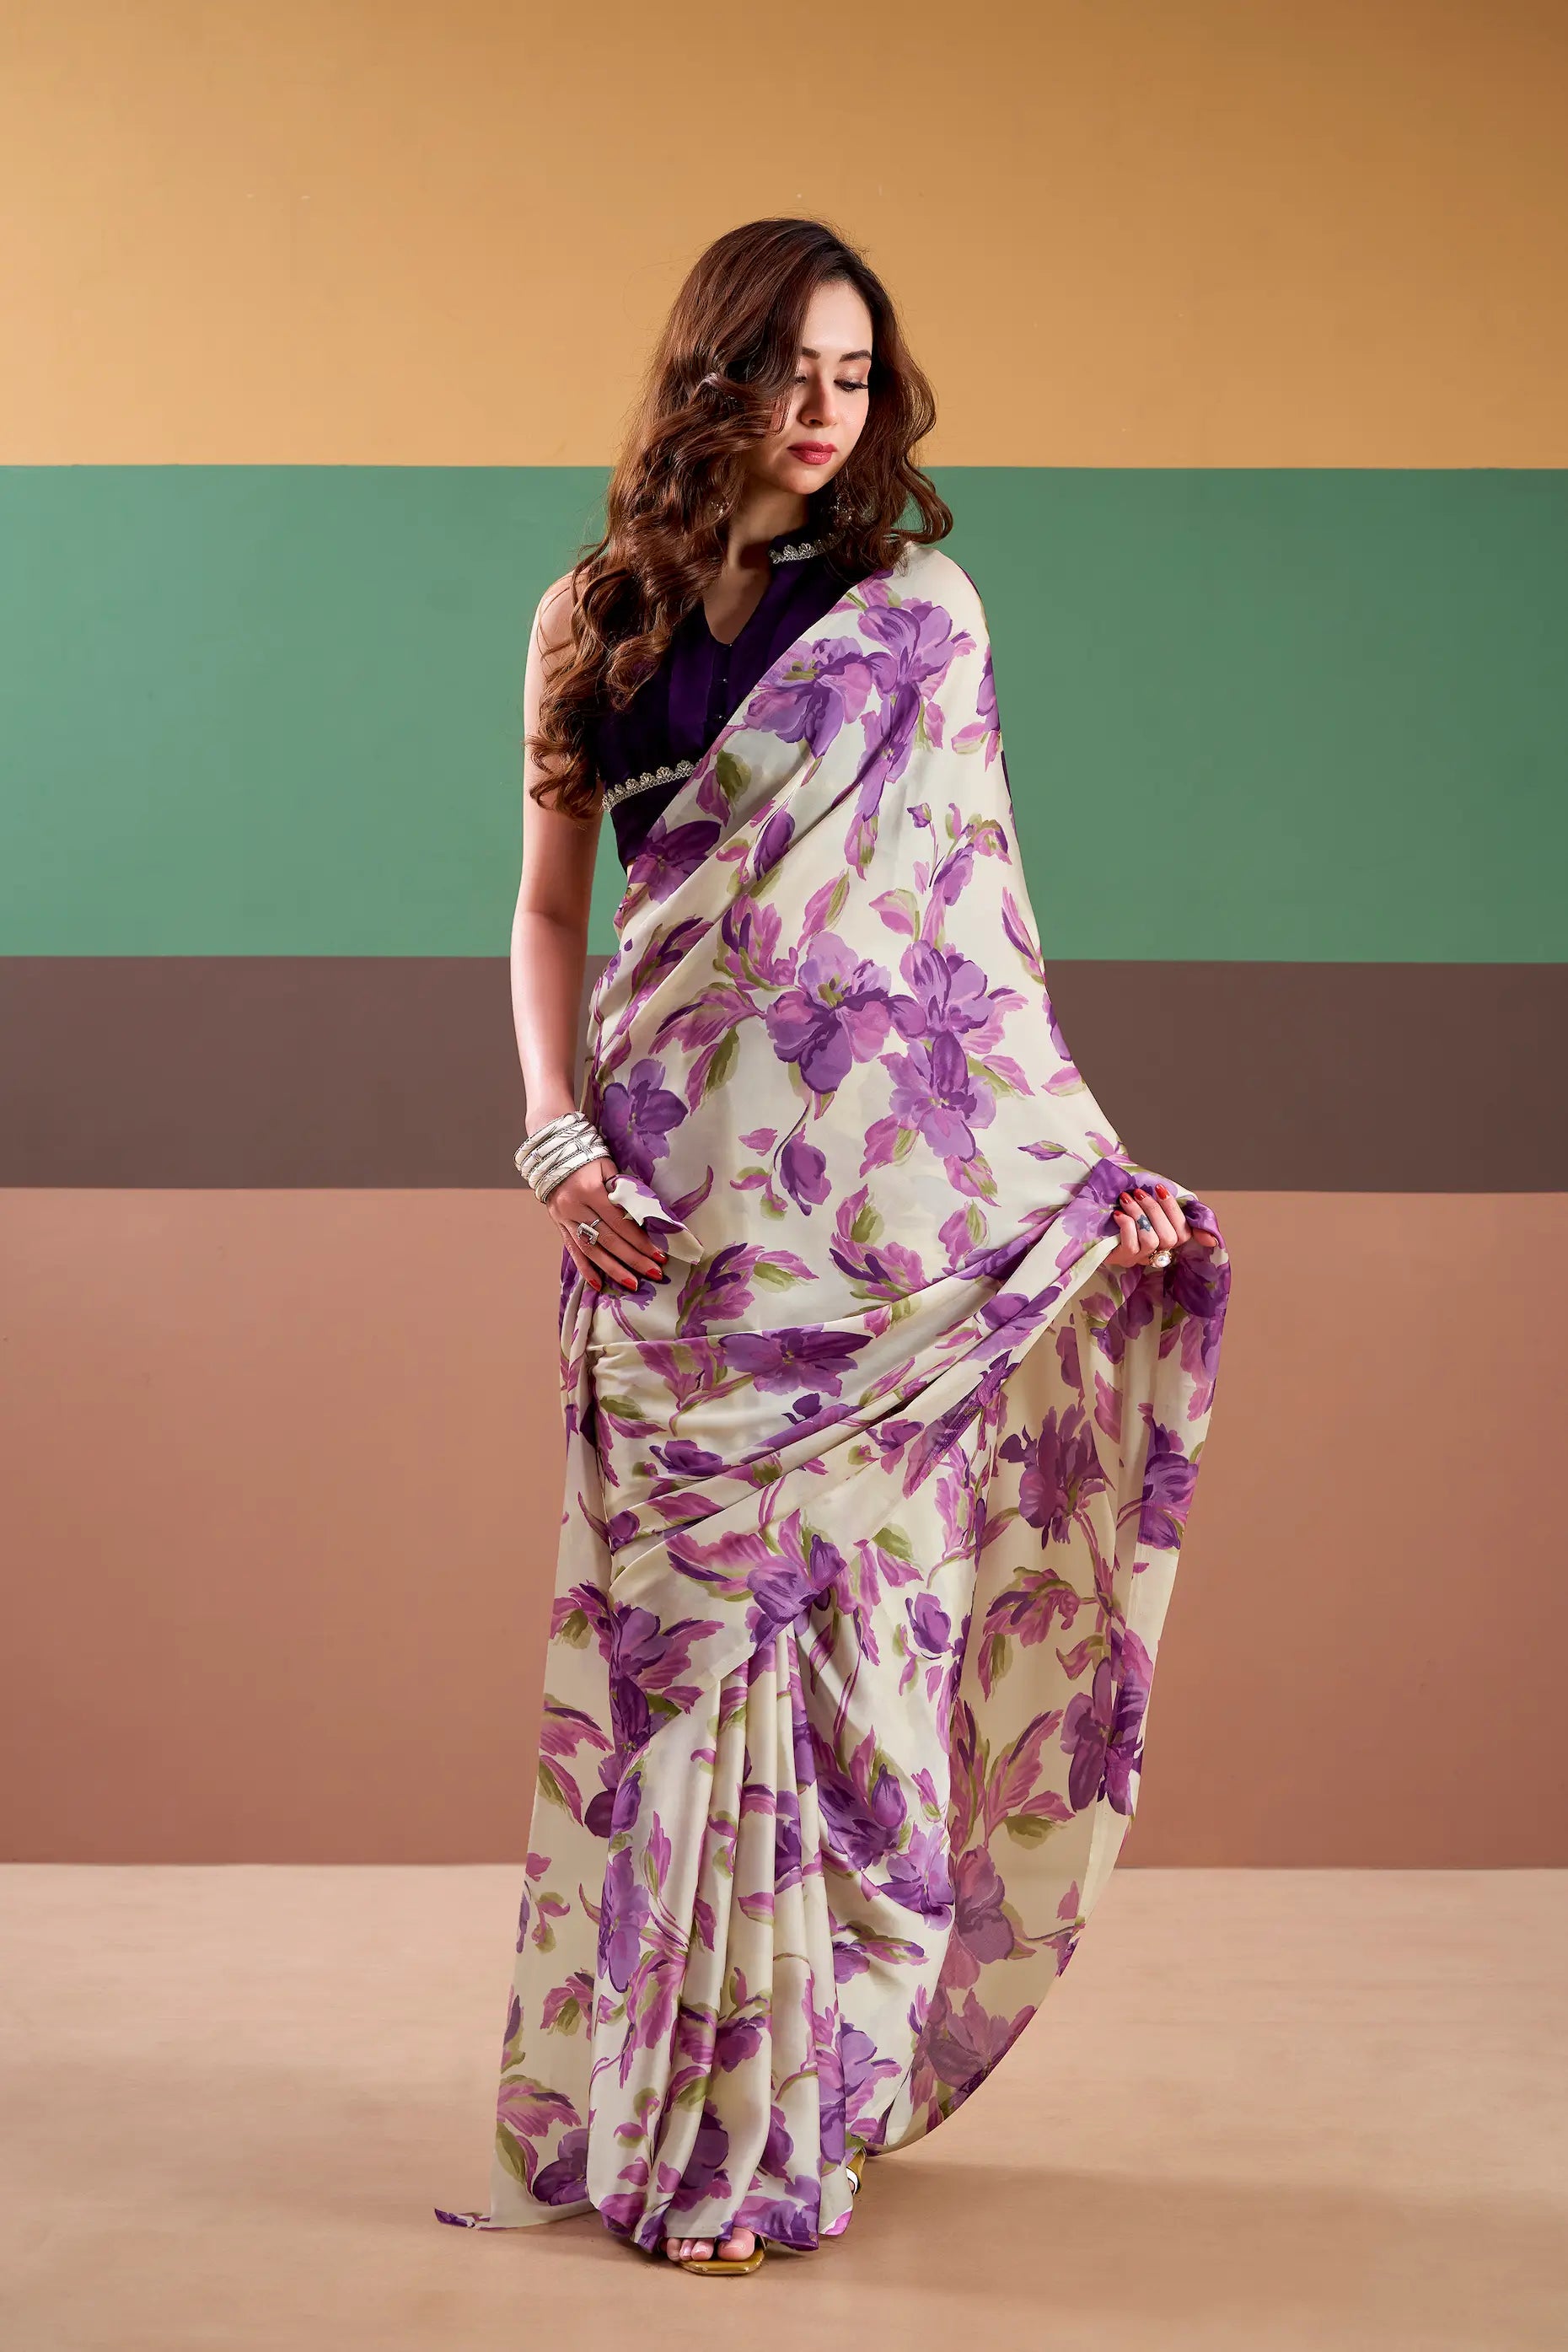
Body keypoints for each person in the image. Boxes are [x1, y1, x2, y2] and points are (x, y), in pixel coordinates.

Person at [437, 217, 1230, 2275]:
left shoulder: (914, 620)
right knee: (683, 1673)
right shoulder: (592, 617)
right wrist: (550, 1135)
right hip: (666, 1233)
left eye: (856, 374)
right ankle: (690, 2116)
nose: (822, 407)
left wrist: (1087, 1171)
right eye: (790, 365)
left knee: (867, 1669)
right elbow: (548, 908)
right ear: (710, 371)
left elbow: (975, 941)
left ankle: (809, 2106)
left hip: (869, 1251)